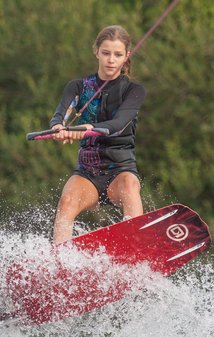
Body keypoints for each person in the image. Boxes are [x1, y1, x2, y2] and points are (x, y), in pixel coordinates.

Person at [48, 25, 147, 244]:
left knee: (130, 186)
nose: (111, 60)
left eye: (118, 54)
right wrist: (58, 127)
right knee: (67, 201)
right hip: (87, 173)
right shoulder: (78, 86)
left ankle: (135, 244)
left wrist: (82, 130)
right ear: (97, 52)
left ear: (126, 56)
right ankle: (59, 261)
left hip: (120, 172)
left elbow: (118, 124)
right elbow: (61, 113)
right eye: (106, 53)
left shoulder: (134, 91)